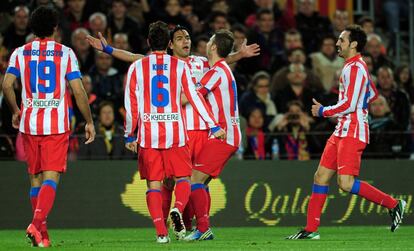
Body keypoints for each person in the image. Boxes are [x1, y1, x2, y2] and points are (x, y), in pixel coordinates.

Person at [86, 24, 259, 230]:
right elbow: (135, 57)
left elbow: (222, 60)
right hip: (178, 132)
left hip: (203, 132)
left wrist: (239, 54)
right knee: (170, 182)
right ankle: (172, 225)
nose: (186, 41)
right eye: (179, 38)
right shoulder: (166, 65)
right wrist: (109, 50)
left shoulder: (200, 62)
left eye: (187, 37)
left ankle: (194, 226)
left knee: (199, 182)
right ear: (170, 44)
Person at [287, 25, 406, 240]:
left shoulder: (355, 68)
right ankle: (311, 230)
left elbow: (350, 103)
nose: (337, 44)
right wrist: (359, 106)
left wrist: (323, 110)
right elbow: (372, 93)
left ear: (353, 44)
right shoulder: (354, 67)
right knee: (321, 176)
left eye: (341, 40)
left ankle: (395, 204)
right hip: (342, 129)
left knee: (346, 184)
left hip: (352, 131)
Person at [123, 21, 225, 244]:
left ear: (149, 42)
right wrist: (213, 125)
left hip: (149, 135)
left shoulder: (137, 67)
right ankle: (178, 208)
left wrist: (130, 134)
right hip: (176, 134)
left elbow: (131, 105)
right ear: (169, 43)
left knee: (154, 184)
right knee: (183, 178)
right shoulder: (180, 67)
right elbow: (195, 97)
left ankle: (161, 233)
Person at [1, 6, 95, 247]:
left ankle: (43, 237)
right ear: (55, 27)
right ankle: (35, 224)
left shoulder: (20, 53)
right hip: (56, 124)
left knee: (35, 179)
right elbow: (78, 89)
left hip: (30, 123)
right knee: (51, 177)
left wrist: (15, 111)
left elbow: (6, 85)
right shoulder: (65, 53)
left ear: (32, 27)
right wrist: (89, 121)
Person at [183, 30, 241, 241]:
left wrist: (164, 103)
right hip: (227, 134)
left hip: (223, 135)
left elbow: (191, 97)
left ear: (214, 47)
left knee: (194, 179)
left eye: (209, 41)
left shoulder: (216, 72)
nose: (206, 44)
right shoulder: (222, 69)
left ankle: (203, 229)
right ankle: (203, 228)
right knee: (201, 181)